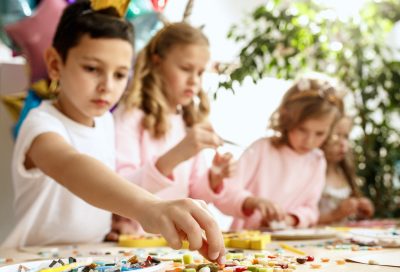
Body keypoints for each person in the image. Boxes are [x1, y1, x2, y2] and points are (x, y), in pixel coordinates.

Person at [2, 1, 225, 264]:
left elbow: (111, 186)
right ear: (54, 63)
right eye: (92, 69)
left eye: (120, 75)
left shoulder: (106, 122)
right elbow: (72, 165)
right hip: (29, 264)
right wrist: (150, 207)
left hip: (91, 259)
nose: (107, 86)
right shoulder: (39, 123)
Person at [108, 22, 236, 239]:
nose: (194, 80)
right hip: (134, 242)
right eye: (186, 69)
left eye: (200, 72)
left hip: (174, 243)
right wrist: (178, 154)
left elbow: (195, 195)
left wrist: (214, 176)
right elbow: (117, 190)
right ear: (157, 63)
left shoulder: (186, 122)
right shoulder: (130, 117)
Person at [214, 76, 345, 230]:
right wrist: (252, 202)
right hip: (247, 243)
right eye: (302, 129)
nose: (309, 141)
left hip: (290, 244)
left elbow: (310, 209)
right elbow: (225, 193)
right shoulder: (262, 149)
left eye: (320, 133)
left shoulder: (317, 161)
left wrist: (291, 219)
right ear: (286, 119)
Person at [318, 116, 374, 224]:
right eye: (336, 135)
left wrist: (359, 210)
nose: (343, 144)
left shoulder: (344, 171)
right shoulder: (311, 173)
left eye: (346, 136)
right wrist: (335, 214)